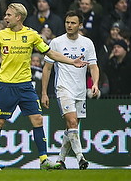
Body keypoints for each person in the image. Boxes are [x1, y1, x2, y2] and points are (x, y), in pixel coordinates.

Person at [0, 3, 88, 171]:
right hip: (5, 85)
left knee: (38, 120)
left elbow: (50, 53)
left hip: (25, 86)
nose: (5, 17)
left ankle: (43, 159)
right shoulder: (0, 35)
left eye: (8, 15)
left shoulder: (32, 35)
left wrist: (72, 61)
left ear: (18, 17)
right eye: (5, 14)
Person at [41, 10, 100, 170]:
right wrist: (44, 93)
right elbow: (47, 69)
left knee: (71, 128)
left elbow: (93, 66)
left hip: (80, 90)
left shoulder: (87, 43)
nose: (69, 25)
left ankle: (60, 160)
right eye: (67, 22)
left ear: (80, 25)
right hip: (63, 88)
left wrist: (95, 83)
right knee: (73, 122)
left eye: (73, 23)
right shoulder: (56, 42)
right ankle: (81, 158)